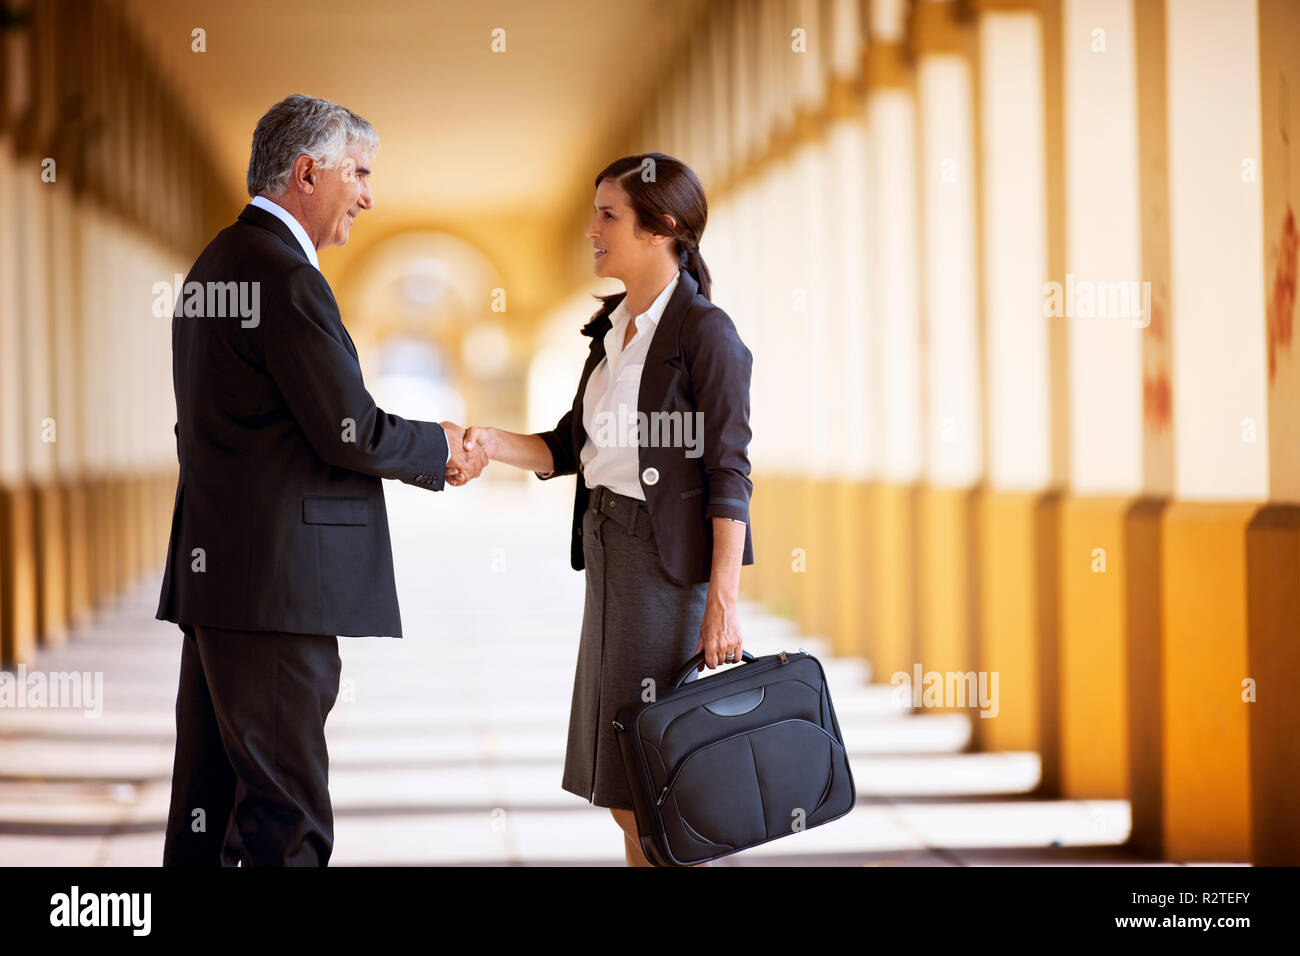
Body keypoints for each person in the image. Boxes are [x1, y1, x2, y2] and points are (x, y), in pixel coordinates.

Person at [156, 94, 487, 867]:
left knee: (206, 813)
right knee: (287, 819)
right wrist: (439, 448)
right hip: (275, 592)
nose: (369, 196)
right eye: (359, 174)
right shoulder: (284, 276)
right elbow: (348, 429)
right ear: (307, 172)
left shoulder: (218, 263)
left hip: (223, 584)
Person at [462, 153, 755, 867]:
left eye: (608, 215)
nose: (592, 229)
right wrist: (490, 441)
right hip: (610, 555)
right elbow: (573, 444)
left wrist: (723, 600)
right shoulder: (612, 331)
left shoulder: (703, 333)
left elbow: (730, 471)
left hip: (663, 571)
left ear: (664, 229)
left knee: (653, 786)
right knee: (627, 785)